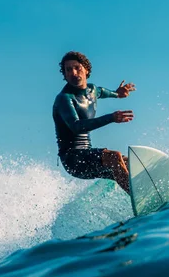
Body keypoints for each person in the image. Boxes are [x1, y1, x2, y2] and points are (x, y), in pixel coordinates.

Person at [53, 51, 136, 194]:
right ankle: (138, 196)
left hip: (88, 154)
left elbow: (103, 92)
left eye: (77, 67)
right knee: (114, 157)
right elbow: (76, 126)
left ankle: (153, 185)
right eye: (68, 70)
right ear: (65, 75)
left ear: (86, 69)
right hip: (73, 160)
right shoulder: (64, 99)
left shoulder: (93, 90)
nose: (73, 72)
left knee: (129, 162)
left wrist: (119, 94)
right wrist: (111, 118)